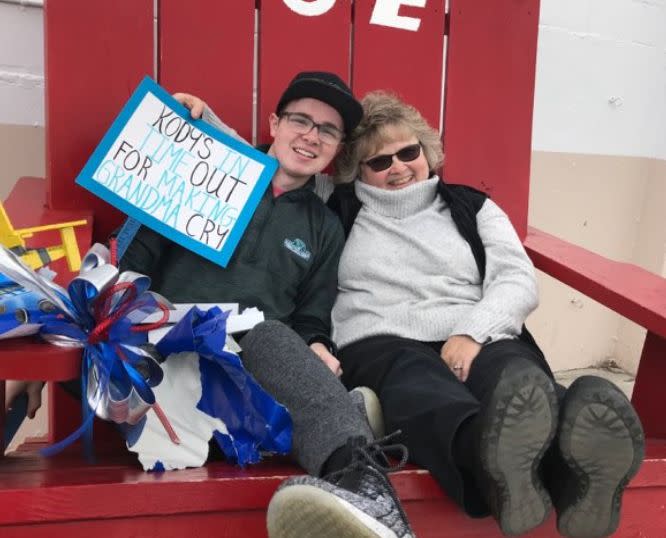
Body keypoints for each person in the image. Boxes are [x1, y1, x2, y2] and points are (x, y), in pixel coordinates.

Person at [4, 73, 414, 538]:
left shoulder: (323, 227)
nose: (311, 135)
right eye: (301, 120)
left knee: (275, 336)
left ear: (337, 147)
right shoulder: (207, 178)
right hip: (158, 362)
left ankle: (368, 495)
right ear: (275, 124)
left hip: (249, 378)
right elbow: (118, 272)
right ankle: (346, 419)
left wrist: (316, 347)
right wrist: (40, 359)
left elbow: (311, 320)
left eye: (327, 130)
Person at [326, 91, 645, 538]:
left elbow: (517, 280)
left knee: (513, 375)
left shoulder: (471, 207)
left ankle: (569, 471)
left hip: (473, 330)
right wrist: (196, 117)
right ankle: (513, 464)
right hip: (382, 338)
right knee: (417, 382)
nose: (398, 167)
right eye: (379, 162)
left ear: (427, 152)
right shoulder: (337, 207)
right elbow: (278, 167)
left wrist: (474, 332)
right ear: (357, 171)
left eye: (408, 152)